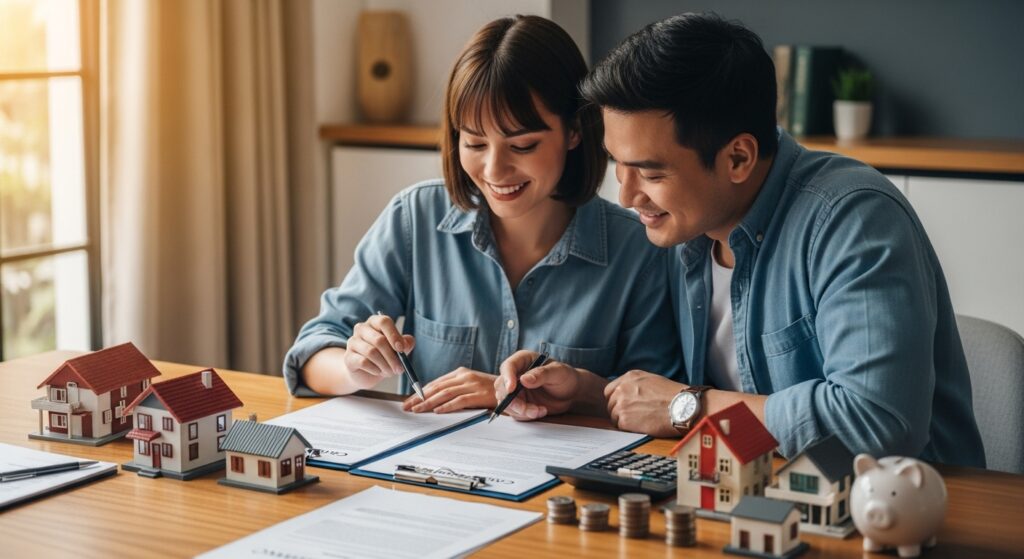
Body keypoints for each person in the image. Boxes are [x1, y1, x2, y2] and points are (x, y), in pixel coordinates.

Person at [495, 13, 985, 466]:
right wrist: (586, 392)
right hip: (763, 503)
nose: (626, 197)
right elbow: (682, 410)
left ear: (738, 159)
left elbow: (879, 423)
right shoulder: (682, 232)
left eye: (648, 172)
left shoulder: (852, 217)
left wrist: (691, 406)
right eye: (618, 166)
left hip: (909, 516)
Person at [283, 15, 682, 414]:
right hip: (420, 471)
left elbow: (657, 403)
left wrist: (532, 391)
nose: (494, 171)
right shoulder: (415, 218)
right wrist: (355, 368)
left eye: (522, 145)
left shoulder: (638, 249)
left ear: (575, 130)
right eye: (474, 143)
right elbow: (312, 353)